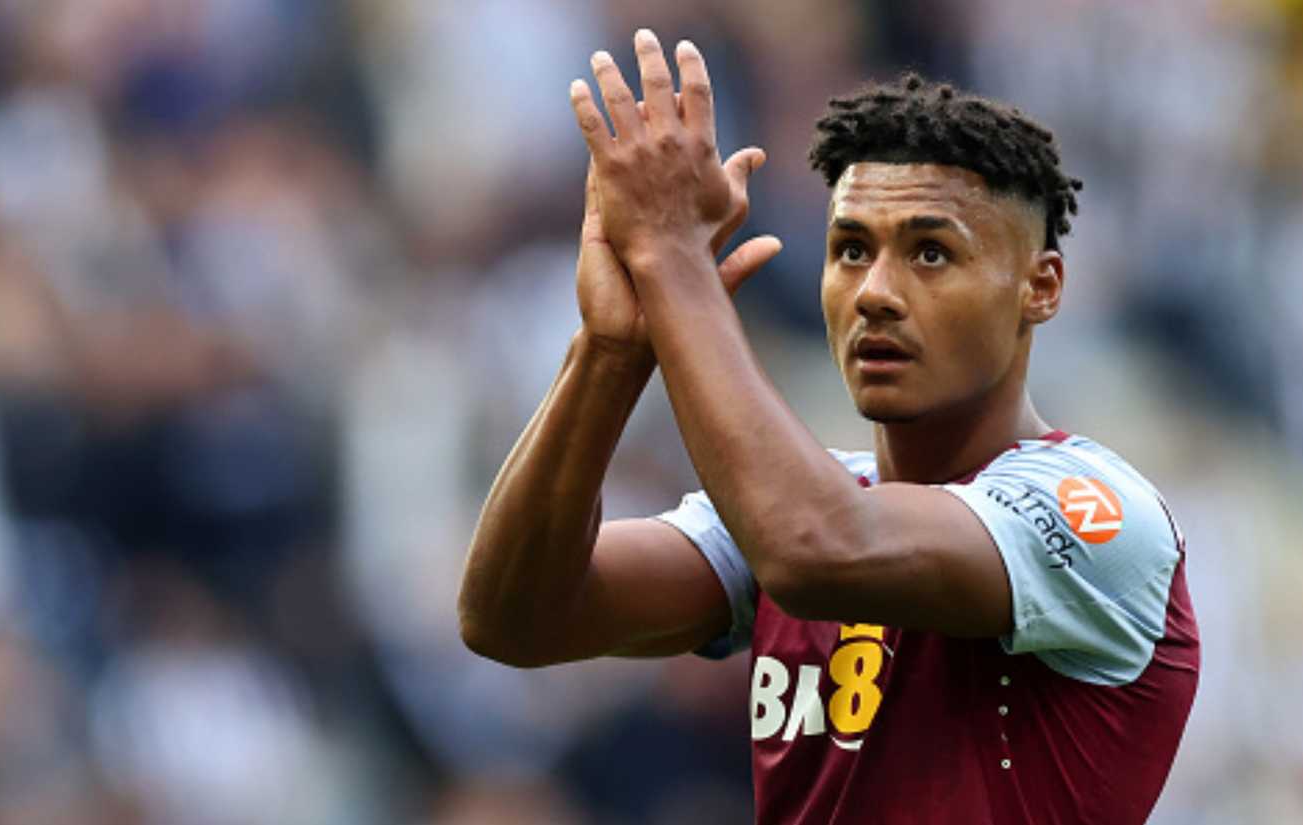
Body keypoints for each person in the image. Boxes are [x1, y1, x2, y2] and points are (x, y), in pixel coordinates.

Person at [459, 29, 1199, 825]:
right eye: (850, 249)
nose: (875, 291)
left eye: (930, 253)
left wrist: (673, 263)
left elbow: (816, 547)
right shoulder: (798, 505)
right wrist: (610, 351)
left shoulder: (1096, 514)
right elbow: (514, 616)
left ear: (1040, 286)